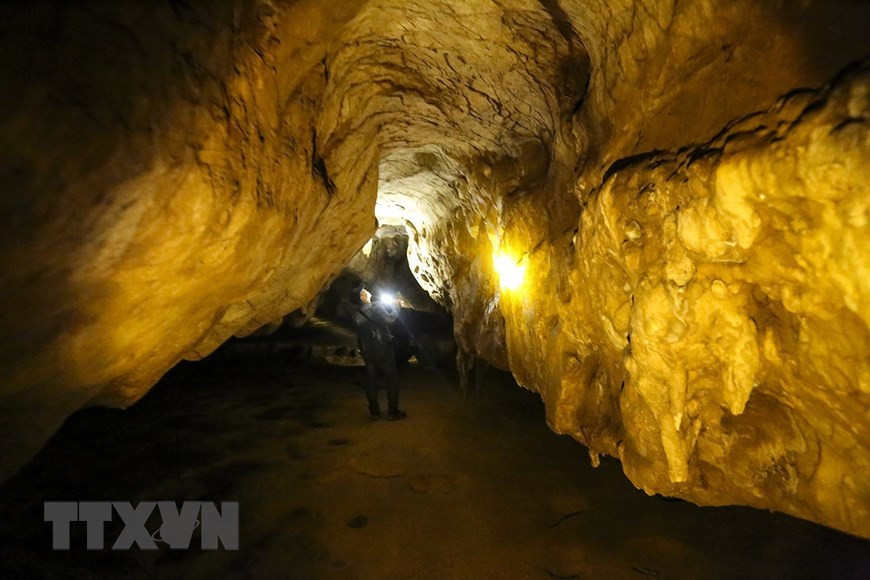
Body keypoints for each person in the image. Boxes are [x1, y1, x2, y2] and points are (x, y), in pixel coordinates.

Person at [351, 286, 406, 421]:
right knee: (392, 380)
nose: (367, 291)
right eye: (364, 291)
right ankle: (393, 412)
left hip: (368, 352)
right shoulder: (375, 306)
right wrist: (396, 307)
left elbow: (359, 335)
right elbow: (390, 320)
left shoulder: (356, 314)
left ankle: (374, 412)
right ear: (362, 297)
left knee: (371, 382)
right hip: (383, 350)